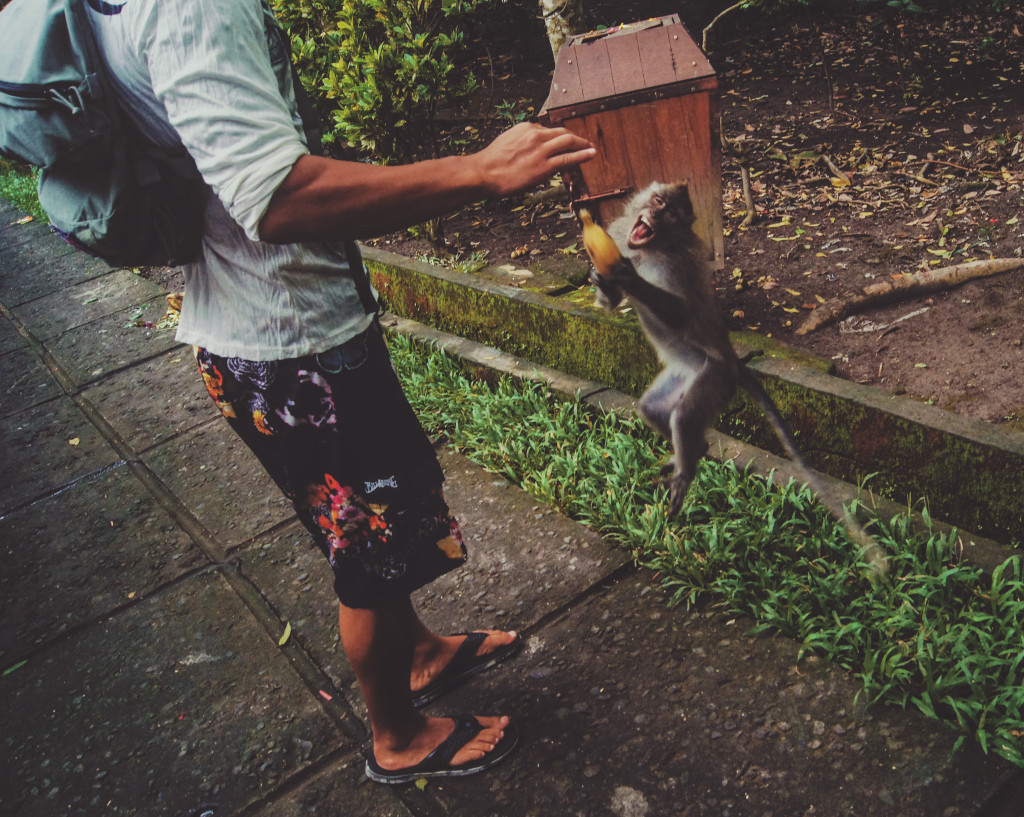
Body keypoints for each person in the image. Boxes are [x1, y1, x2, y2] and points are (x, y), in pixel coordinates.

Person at [84, 0, 595, 784]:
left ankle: (418, 652)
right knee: (366, 555)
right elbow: (276, 196)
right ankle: (397, 735)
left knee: (373, 526)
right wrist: (479, 171)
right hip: (293, 349)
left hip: (252, 332)